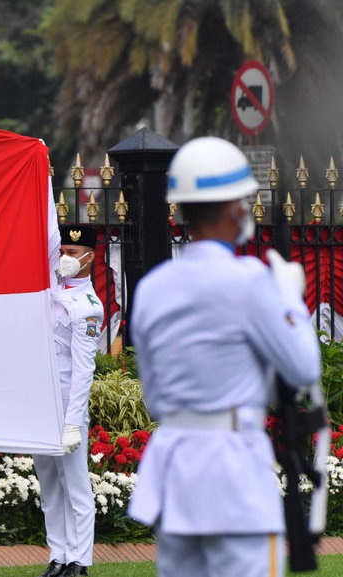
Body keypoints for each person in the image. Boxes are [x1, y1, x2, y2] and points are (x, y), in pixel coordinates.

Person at [128, 137, 322, 577]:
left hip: (176, 474)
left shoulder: (153, 287)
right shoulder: (251, 282)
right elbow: (304, 367)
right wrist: (290, 297)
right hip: (235, 477)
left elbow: (155, 396)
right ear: (237, 208)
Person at [32, 224, 103, 577]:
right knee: (49, 484)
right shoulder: (53, 287)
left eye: (73, 254)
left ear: (90, 257)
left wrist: (74, 421)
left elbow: (82, 371)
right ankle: (58, 556)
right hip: (43, 400)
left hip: (66, 404)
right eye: (64, 252)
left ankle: (80, 560)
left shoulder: (89, 307)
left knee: (75, 484)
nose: (65, 259)